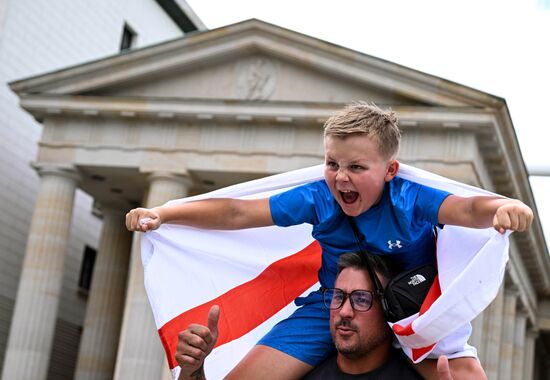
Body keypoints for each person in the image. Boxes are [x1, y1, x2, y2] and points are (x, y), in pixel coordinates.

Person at [126, 102, 532, 379]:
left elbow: (466, 209)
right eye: (332, 163)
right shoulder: (319, 199)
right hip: (336, 306)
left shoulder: (409, 200)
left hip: (413, 308)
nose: (341, 177)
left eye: (356, 167)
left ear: (390, 170)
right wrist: (165, 213)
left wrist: (503, 206)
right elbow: (237, 212)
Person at [175, 252, 458, 380]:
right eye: (338, 297)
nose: (344, 312)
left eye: (361, 299)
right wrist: (192, 370)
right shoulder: (295, 373)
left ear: (388, 310)